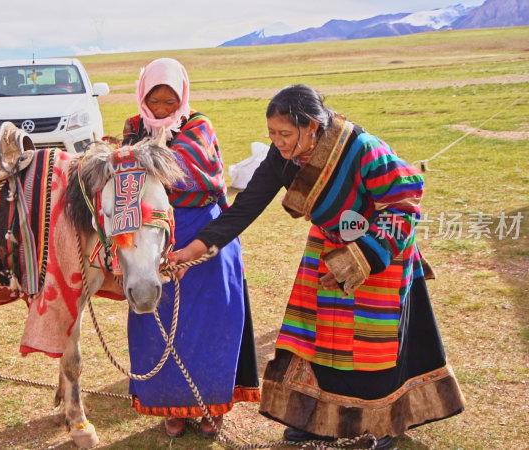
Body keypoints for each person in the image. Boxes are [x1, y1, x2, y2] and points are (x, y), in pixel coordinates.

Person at [171, 85, 465, 449]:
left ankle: (380, 422)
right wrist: (192, 251)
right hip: (329, 247)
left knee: (371, 347)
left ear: (312, 126)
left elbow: (404, 203)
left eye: (285, 133)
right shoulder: (283, 159)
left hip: (379, 254)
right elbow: (245, 208)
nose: (277, 142)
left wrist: (364, 257)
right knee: (318, 338)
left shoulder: (362, 148)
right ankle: (318, 418)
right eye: (272, 134)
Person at [122, 58, 259, 439]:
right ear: (143, 96)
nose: (162, 109)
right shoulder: (133, 127)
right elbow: (127, 182)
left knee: (211, 323)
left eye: (170, 101)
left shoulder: (198, 125)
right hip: (153, 235)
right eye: (155, 101)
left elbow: (196, 170)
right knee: (158, 321)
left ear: (182, 97)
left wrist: (143, 159)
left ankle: (211, 409)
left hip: (204, 233)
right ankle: (170, 405)